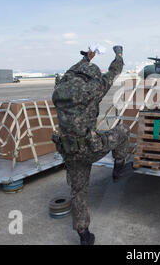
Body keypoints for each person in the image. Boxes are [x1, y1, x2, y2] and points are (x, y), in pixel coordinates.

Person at [52, 45, 131, 245]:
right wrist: (118, 54)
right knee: (122, 131)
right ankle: (119, 166)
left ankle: (84, 234)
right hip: (90, 148)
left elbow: (71, 71)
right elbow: (114, 71)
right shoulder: (92, 89)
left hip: (69, 151)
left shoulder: (58, 89)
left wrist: (86, 59)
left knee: (79, 191)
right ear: (90, 77)